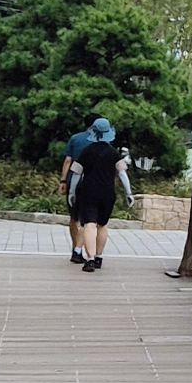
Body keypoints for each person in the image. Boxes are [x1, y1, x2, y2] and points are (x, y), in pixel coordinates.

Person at [63, 110, 122, 269]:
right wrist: (129, 193)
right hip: (108, 192)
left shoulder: (86, 150)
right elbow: (122, 173)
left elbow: (76, 172)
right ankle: (99, 256)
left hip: (88, 192)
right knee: (102, 225)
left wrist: (71, 191)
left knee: (89, 224)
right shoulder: (114, 152)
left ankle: (88, 258)